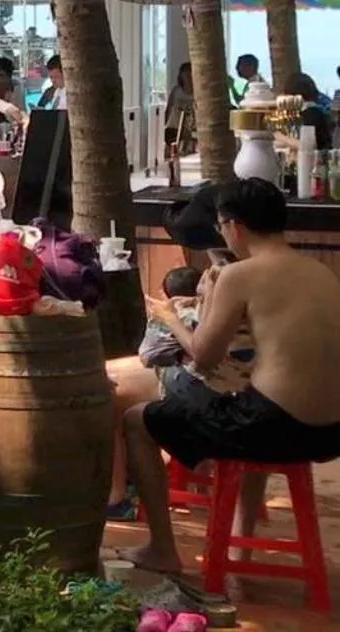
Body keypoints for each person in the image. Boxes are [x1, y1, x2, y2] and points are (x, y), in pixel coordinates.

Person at [117, 180, 340, 573]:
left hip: (271, 426)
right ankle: (241, 545)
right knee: (244, 393)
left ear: (233, 225)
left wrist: (169, 317)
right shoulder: (320, 272)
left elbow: (203, 357)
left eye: (221, 227)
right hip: (330, 431)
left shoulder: (241, 275)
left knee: (137, 420)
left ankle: (162, 549)